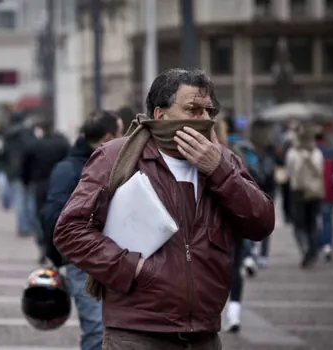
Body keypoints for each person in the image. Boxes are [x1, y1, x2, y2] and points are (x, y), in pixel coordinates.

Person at [53, 68, 275, 349]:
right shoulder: (116, 156)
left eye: (209, 110)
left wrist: (219, 171)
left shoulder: (224, 160)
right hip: (136, 333)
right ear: (160, 114)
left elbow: (262, 223)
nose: (205, 119)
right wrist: (135, 268)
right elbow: (70, 230)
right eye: (193, 109)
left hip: (204, 334)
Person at [42, 111, 123, 350]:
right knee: (97, 330)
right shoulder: (69, 169)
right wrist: (59, 257)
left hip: (117, 258)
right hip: (84, 261)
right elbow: (52, 217)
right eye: (121, 133)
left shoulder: (115, 164)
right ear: (108, 137)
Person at [22, 120, 70, 264]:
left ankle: (43, 244)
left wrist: (26, 180)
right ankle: (55, 245)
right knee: (57, 215)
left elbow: (25, 166)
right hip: (59, 183)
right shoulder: (62, 145)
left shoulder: (34, 145)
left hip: (39, 184)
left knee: (39, 216)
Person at [286, 122, 324, 268]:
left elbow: (289, 173)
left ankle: (305, 248)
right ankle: (313, 250)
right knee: (312, 223)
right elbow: (320, 171)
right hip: (314, 192)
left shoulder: (292, 153)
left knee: (299, 225)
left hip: (298, 192)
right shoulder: (317, 153)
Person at [315, 128, 333, 261]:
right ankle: (328, 244)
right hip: (330, 190)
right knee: (328, 218)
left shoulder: (311, 151)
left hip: (314, 190)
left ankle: (319, 243)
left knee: (314, 219)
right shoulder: (332, 151)